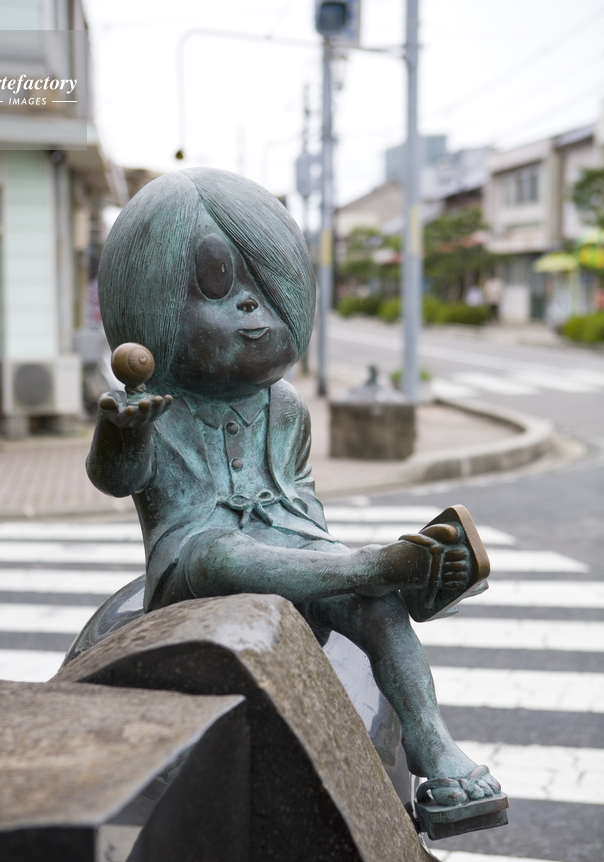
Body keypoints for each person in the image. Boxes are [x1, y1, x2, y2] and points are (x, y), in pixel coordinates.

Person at [87, 168, 503, 822]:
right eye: (219, 286)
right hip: (193, 561)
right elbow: (118, 479)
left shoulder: (284, 406)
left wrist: (322, 558)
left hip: (288, 544)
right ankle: (383, 569)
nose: (250, 308)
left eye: (265, 288)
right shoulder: (158, 405)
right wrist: (122, 431)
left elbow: (299, 502)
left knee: (374, 604)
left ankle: (434, 745)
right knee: (226, 553)